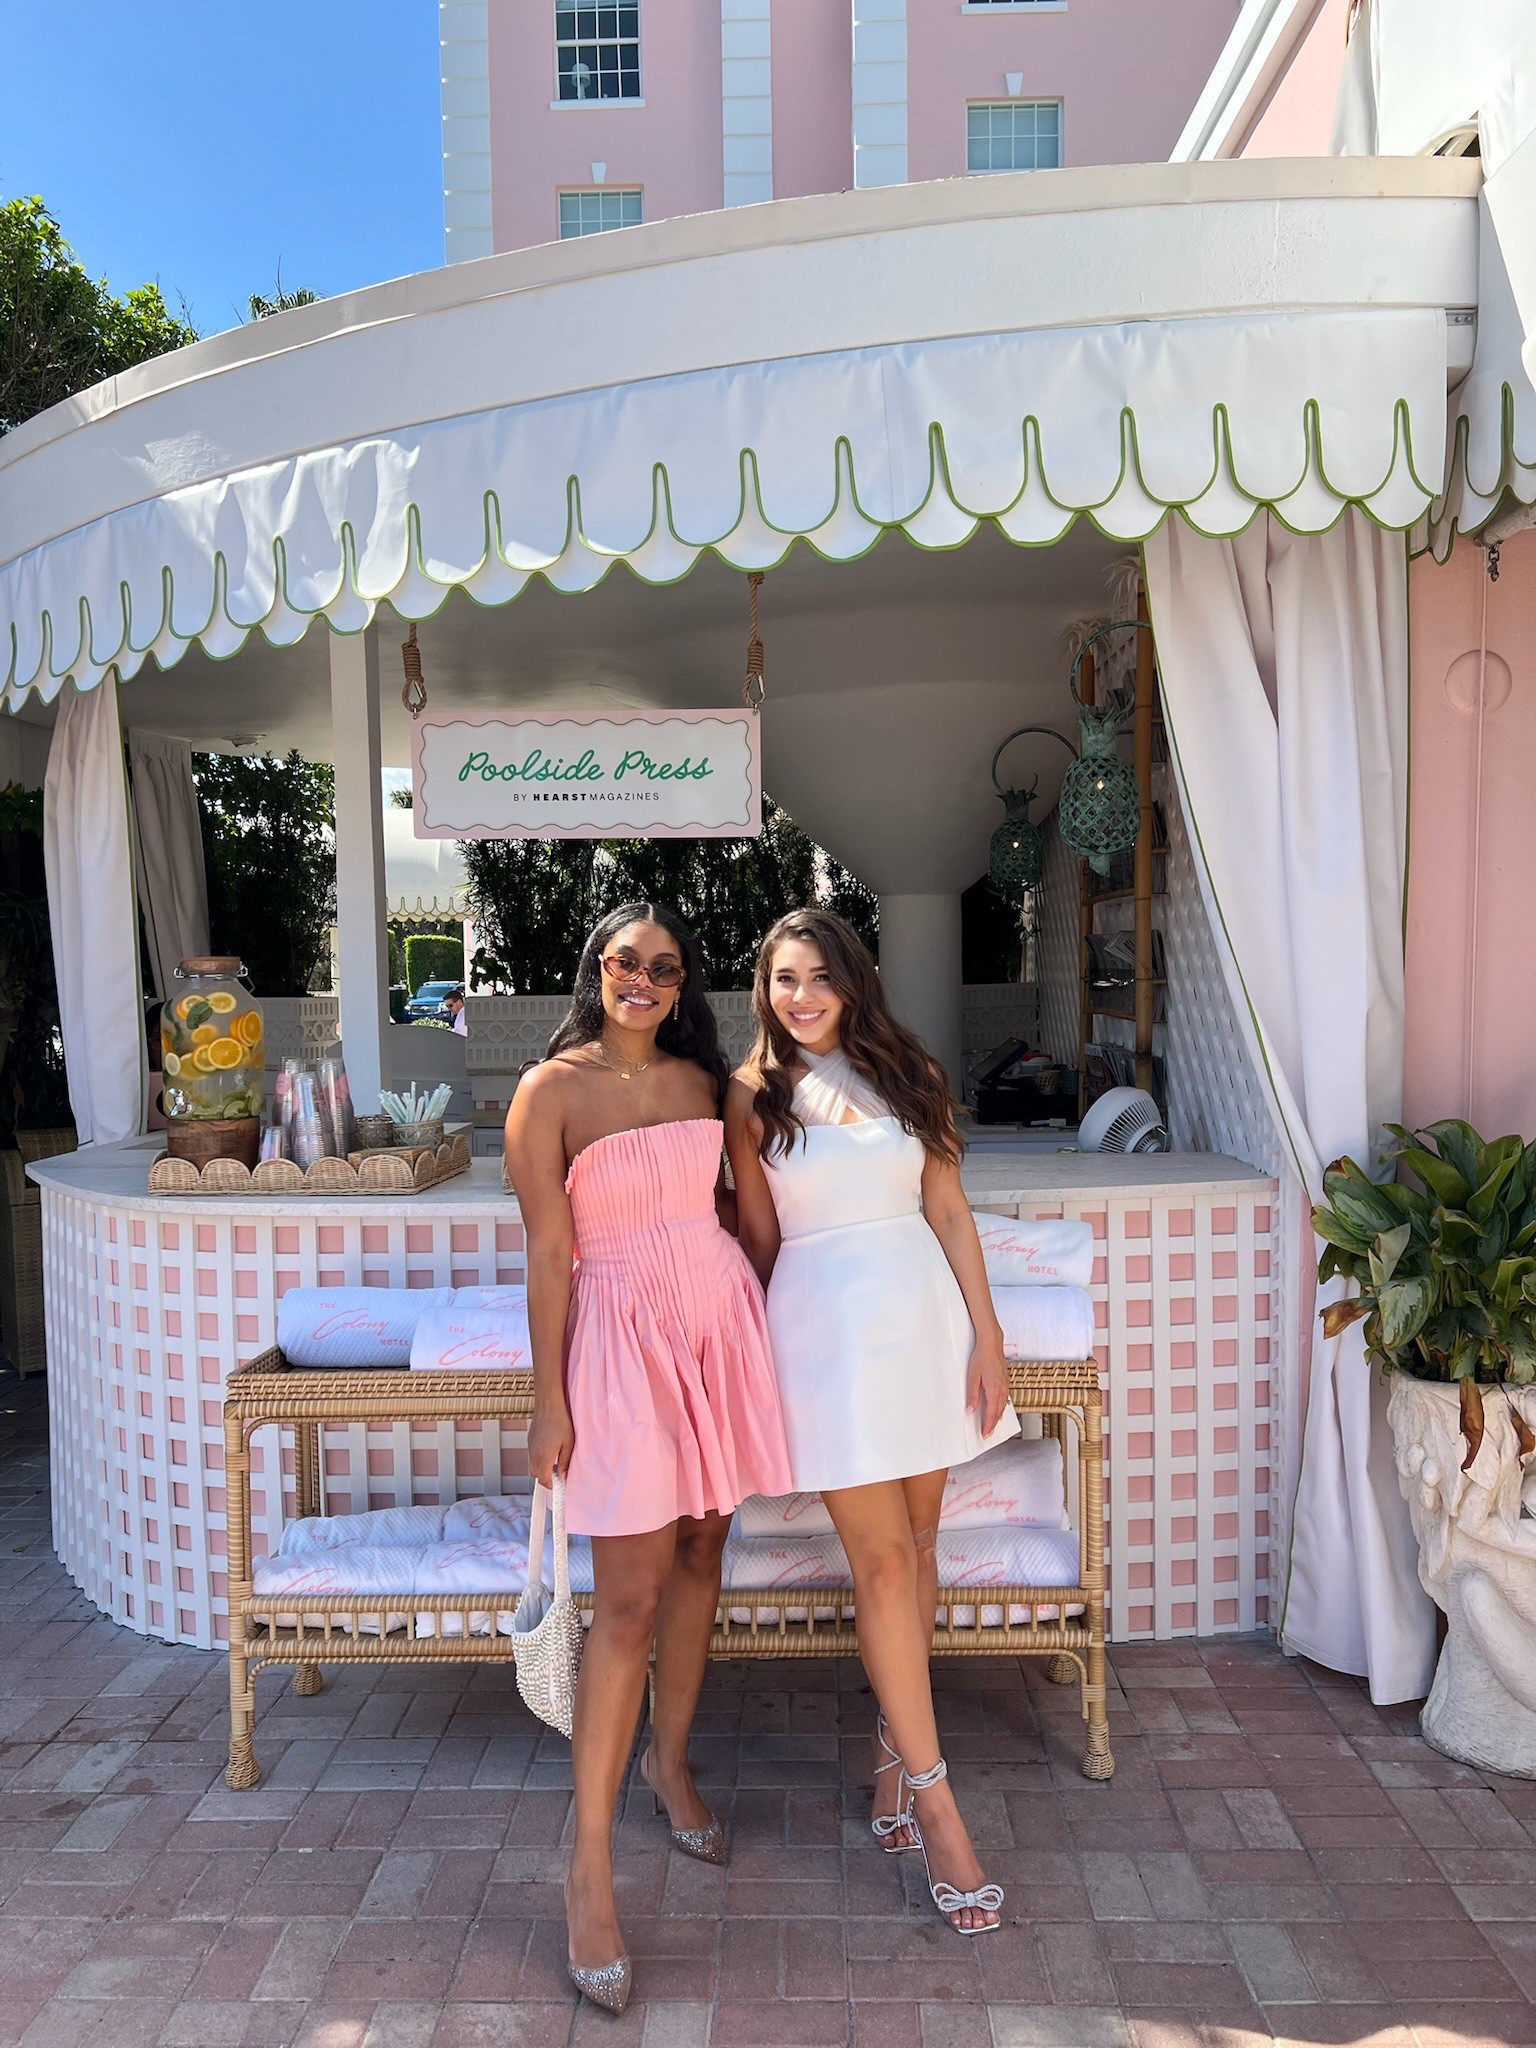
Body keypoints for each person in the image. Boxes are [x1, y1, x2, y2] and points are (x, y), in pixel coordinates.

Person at [504, 902, 793, 2015]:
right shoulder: (550, 1091)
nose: (645, 979)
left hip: (712, 1323)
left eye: (666, 967)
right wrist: (547, 1397)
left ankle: (670, 1764)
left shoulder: (701, 1080)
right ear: (598, 965)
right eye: (628, 959)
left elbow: (742, 1206)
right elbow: (547, 1249)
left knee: (707, 1546)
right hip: (617, 1337)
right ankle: (588, 1866)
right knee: (623, 1599)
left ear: (683, 985)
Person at [725, 908, 1018, 1936]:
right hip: (826, 1339)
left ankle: (892, 1751)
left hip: (923, 1322)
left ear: (853, 982)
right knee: (884, 1564)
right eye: (780, 979)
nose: (798, 996)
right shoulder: (753, 1095)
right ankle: (940, 1806)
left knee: (923, 1546)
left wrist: (986, 1334)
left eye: (816, 977)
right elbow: (759, 1240)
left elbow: (948, 1208)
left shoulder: (910, 1073)